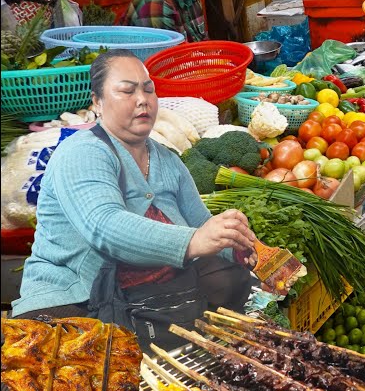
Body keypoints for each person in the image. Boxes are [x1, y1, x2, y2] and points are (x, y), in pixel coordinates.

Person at [12, 50, 257, 326]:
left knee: (231, 276)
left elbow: (199, 222)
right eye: (127, 91)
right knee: (86, 357)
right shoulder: (82, 152)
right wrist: (193, 241)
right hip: (77, 299)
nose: (142, 100)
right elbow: (105, 226)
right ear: (98, 102)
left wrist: (240, 245)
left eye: (148, 89)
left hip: (142, 295)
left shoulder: (167, 160)